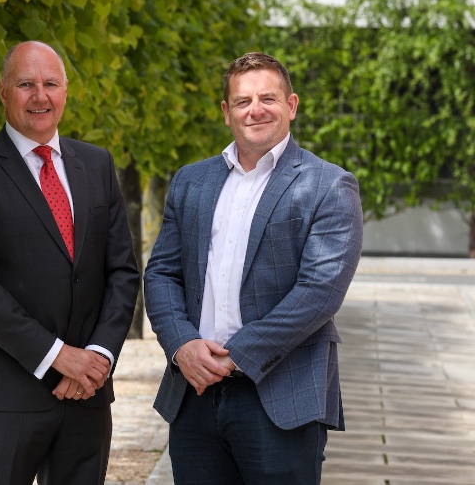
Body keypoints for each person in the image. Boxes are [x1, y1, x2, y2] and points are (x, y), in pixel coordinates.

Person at [144, 52, 363, 484]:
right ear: (226, 112)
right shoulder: (191, 181)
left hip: (281, 397)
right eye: (243, 101)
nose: (255, 110)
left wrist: (235, 357)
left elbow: (319, 292)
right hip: (194, 393)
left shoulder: (328, 185)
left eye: (268, 98)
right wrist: (182, 344)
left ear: (291, 105)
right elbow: (162, 273)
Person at [0, 41, 140, 485]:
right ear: (2, 91)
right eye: (25, 84)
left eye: (50, 83)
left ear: (65, 90)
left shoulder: (97, 164)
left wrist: (97, 357)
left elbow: (122, 273)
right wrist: (57, 357)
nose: (40, 96)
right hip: (10, 397)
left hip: (87, 394)